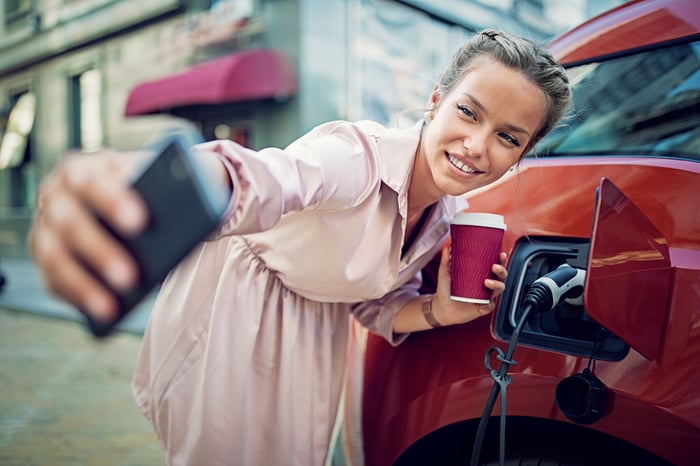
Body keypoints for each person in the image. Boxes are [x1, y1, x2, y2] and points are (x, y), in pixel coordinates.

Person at [28, 29, 571, 466]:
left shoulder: (447, 220)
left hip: (315, 340)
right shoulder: (356, 156)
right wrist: (149, 187)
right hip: (236, 313)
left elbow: (373, 307)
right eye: (469, 112)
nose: (476, 146)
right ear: (435, 101)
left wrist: (443, 310)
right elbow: (264, 178)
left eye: (507, 136)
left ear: (522, 153)